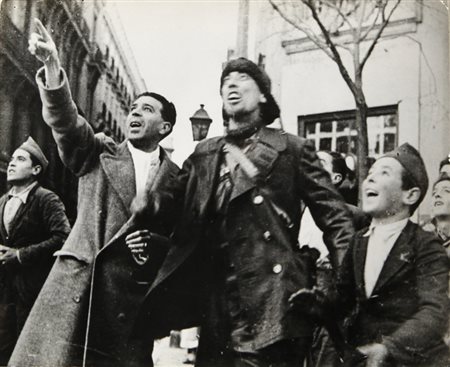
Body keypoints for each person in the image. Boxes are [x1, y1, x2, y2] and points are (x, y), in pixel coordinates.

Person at [138, 58, 355, 367]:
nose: (232, 84)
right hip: (217, 306)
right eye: (226, 81)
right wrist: (151, 204)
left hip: (274, 303)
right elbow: (173, 202)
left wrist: (339, 290)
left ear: (264, 95)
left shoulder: (292, 149)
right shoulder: (206, 153)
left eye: (242, 78)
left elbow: (337, 220)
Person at [9, 19, 179, 367]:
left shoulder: (178, 178)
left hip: (129, 305)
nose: (134, 112)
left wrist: (154, 245)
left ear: (164, 128)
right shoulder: (99, 152)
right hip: (78, 292)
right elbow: (67, 123)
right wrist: (54, 70)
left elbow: (183, 239)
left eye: (146, 109)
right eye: (133, 107)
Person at [335, 143, 449, 366]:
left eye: (384, 173)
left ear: (410, 195)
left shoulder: (425, 244)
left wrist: (389, 348)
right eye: (369, 174)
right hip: (365, 355)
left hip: (409, 359)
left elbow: (435, 311)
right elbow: (342, 299)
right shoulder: (359, 241)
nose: (370, 179)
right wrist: (317, 304)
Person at [0, 137, 70, 364]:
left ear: (36, 169)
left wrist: (20, 255)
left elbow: (63, 238)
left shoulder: (46, 199)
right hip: (4, 291)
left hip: (33, 292)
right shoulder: (2, 201)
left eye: (20, 159)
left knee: (28, 354)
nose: (11, 163)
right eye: (11, 159)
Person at [298, 150, 369, 367]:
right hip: (299, 297)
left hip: (331, 302)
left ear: (335, 179)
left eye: (319, 163)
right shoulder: (296, 210)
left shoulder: (354, 215)